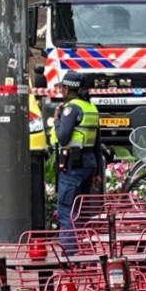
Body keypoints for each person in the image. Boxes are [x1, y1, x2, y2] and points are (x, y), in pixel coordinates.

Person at [52, 70, 100, 253]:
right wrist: (96, 173)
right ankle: (83, 251)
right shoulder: (90, 107)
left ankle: (70, 256)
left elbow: (63, 138)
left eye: (62, 88)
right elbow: (97, 142)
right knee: (82, 210)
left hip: (73, 164)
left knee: (67, 212)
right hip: (89, 163)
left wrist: (57, 120)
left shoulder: (71, 108)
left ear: (66, 89)